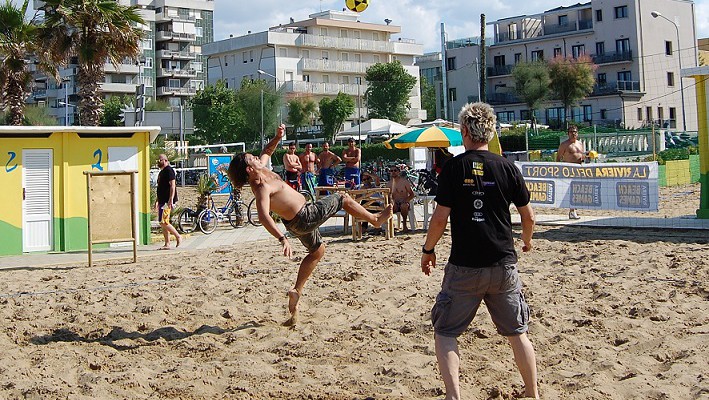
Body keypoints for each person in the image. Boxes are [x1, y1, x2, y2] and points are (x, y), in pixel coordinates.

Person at [421, 102, 539, 400]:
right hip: (503, 263)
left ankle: (454, 396)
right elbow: (529, 217)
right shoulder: (507, 167)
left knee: (446, 331)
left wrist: (428, 249)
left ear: (464, 132)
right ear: (491, 130)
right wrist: (526, 240)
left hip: (465, 265)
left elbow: (439, 218)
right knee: (517, 333)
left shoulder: (454, 166)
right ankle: (533, 394)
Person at [227, 125, 393, 325]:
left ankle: (296, 291)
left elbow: (267, 151)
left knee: (317, 251)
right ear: (249, 169)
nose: (256, 157)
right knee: (343, 198)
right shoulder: (261, 186)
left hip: (295, 222)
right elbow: (263, 216)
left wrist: (278, 137)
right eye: (251, 158)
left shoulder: (261, 169)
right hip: (304, 216)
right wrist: (282, 239)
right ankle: (375, 220)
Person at [556, 125, 585, 219]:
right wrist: (558, 170)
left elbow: (582, 156)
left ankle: (574, 210)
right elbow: (558, 158)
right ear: (568, 134)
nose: (573, 134)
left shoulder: (580, 144)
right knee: (570, 191)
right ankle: (572, 211)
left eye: (575, 132)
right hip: (568, 170)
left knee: (577, 190)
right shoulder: (564, 145)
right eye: (571, 132)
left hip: (578, 169)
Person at [155, 154, 181, 250]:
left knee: (164, 221)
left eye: (160, 160)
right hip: (162, 200)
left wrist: (170, 199)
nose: (158, 161)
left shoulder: (169, 170)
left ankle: (178, 236)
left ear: (165, 160)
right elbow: (160, 187)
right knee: (162, 222)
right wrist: (157, 200)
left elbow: (172, 185)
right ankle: (167, 243)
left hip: (167, 201)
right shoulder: (162, 172)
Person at [387, 165, 416, 233]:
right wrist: (391, 201)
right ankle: (391, 226)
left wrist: (406, 200)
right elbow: (388, 196)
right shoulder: (389, 184)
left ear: (398, 172)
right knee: (388, 207)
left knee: (404, 206)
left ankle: (405, 225)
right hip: (395, 203)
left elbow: (412, 194)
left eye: (395, 170)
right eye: (391, 171)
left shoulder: (404, 182)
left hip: (404, 201)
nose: (393, 172)